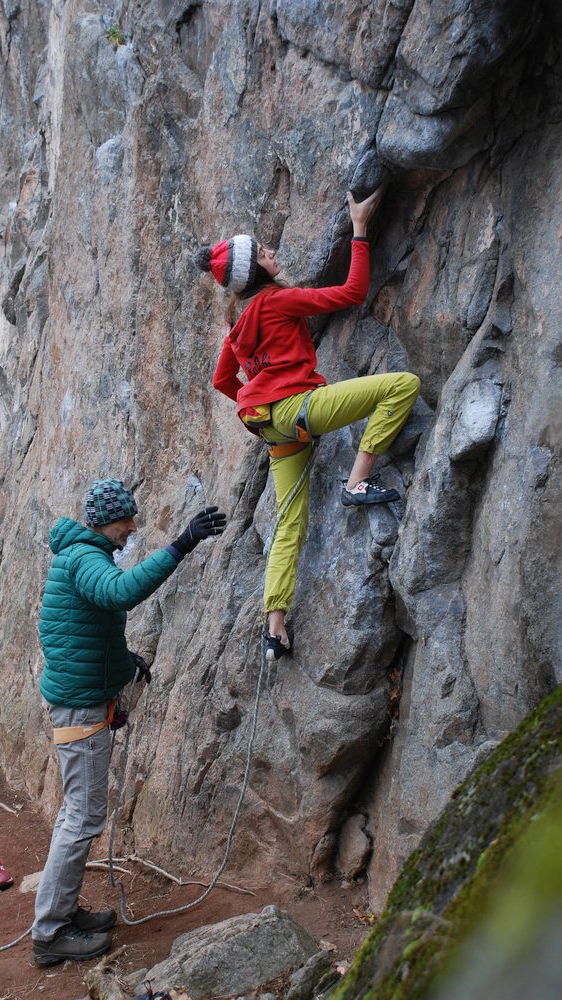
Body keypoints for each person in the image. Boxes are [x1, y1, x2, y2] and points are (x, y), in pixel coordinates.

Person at [196, 188, 420, 661]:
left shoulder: (238, 325)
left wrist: (262, 402)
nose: (271, 251)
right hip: (298, 409)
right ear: (255, 270)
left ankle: (275, 628)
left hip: (273, 428)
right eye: (262, 251)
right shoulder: (278, 303)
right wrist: (359, 228)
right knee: (401, 385)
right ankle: (357, 481)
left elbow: (222, 380)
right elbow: (353, 293)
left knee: (287, 525)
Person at [32, 478, 226, 966]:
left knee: (78, 814)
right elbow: (120, 594)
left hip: (80, 701)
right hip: (80, 709)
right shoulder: (84, 559)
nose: (133, 528)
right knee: (81, 817)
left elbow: (84, 631)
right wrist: (183, 543)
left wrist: (124, 664)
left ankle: (62, 914)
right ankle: (50, 933)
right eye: (127, 520)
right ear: (104, 521)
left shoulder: (78, 556)